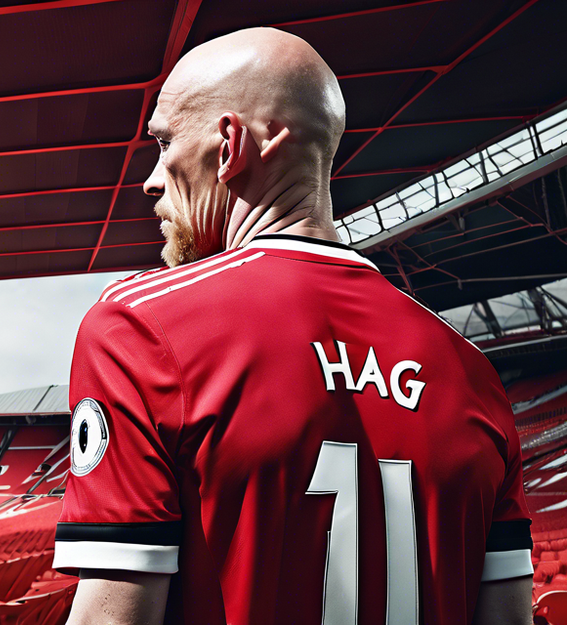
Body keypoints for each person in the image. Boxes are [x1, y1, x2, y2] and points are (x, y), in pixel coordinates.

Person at [52, 27, 532, 625]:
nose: (151, 179)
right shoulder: (473, 372)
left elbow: (111, 617)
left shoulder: (141, 328)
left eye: (163, 142)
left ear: (229, 145)